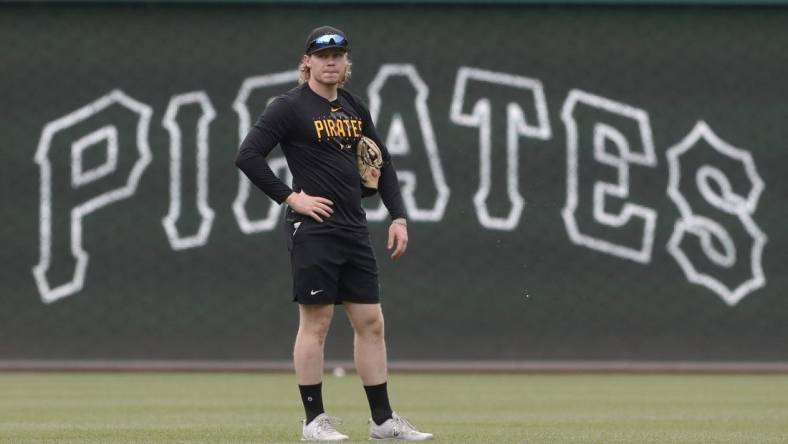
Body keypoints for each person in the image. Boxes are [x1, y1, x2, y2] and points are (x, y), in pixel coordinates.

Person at [235, 25, 433, 442]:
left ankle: (382, 421)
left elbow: (383, 163)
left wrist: (398, 216)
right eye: (322, 55)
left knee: (371, 321)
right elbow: (248, 155)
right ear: (306, 61)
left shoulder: (353, 107)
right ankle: (314, 421)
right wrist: (292, 198)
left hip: (353, 227)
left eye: (338, 55)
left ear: (346, 63)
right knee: (317, 322)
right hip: (313, 229)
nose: (330, 62)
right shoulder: (287, 107)